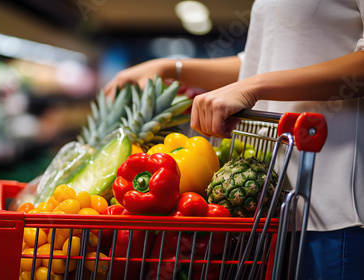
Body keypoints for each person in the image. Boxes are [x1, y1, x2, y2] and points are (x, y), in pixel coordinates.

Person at [105, 1, 364, 279]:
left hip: (333, 210)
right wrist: (170, 67)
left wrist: (253, 87)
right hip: (274, 210)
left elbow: (254, 77)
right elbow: (256, 62)